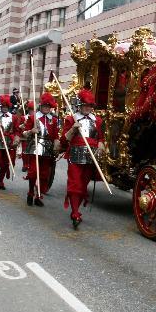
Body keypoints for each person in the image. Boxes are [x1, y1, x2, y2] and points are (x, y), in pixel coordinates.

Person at [61, 89, 105, 228]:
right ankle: (75, 213)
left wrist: (101, 145)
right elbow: (64, 140)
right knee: (75, 184)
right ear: (80, 105)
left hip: (90, 157)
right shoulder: (71, 119)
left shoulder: (97, 121)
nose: (88, 108)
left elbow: (101, 139)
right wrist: (73, 129)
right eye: (85, 105)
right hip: (75, 155)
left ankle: (76, 209)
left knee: (83, 186)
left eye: (90, 106)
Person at [22, 93, 60, 207]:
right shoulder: (33, 118)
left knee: (44, 175)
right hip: (35, 147)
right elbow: (24, 133)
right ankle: (30, 193)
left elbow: (55, 136)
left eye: (48, 107)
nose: (46, 108)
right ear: (41, 106)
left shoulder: (53, 120)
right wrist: (31, 131)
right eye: (45, 106)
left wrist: (56, 145)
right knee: (33, 173)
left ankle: (38, 196)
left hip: (47, 149)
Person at [0, 95, 20, 190]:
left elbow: (17, 130)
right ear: (1, 107)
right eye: (3, 106)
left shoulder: (13, 118)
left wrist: (16, 138)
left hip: (9, 143)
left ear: (8, 107)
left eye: (6, 107)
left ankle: (1, 181)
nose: (5, 108)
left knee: (6, 163)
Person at [20, 100, 35, 174]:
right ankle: (25, 164)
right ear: (28, 110)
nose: (32, 111)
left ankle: (29, 164)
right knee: (24, 152)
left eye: (33, 110)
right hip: (25, 137)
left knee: (31, 152)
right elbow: (19, 127)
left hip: (32, 137)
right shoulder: (24, 117)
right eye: (30, 109)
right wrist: (24, 124)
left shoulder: (36, 118)